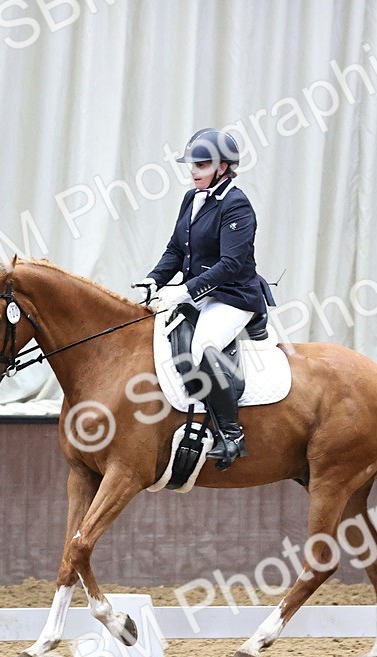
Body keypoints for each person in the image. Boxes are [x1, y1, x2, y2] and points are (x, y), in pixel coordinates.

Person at [135, 128, 273, 469]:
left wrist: (186, 290)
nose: (193, 170)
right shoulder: (190, 199)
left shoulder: (237, 205)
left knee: (203, 347)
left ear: (223, 167)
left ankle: (231, 434)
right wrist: (154, 280)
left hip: (233, 296)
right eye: (191, 164)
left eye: (201, 164)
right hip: (200, 292)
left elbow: (231, 264)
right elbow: (174, 249)